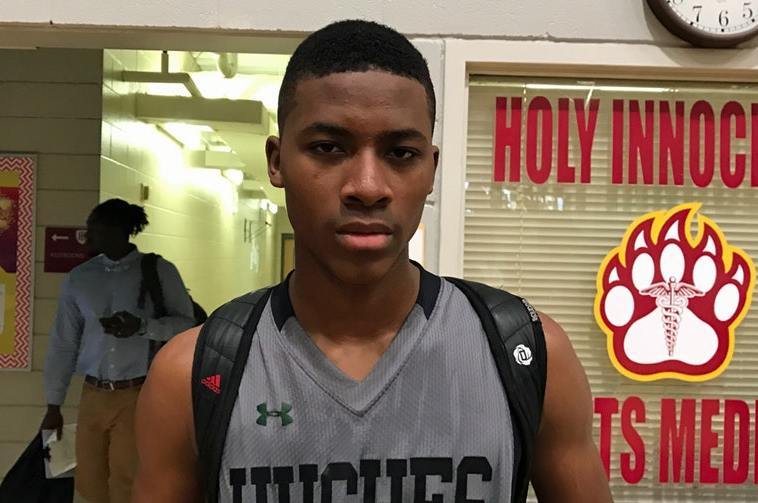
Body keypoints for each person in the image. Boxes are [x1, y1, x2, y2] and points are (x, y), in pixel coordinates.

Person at [132, 20, 613, 503]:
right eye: (328, 148)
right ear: (276, 162)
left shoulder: (528, 352)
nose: (366, 187)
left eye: (400, 153)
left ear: (431, 169)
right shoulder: (190, 374)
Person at [41, 198, 196, 503]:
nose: (87, 236)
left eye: (95, 229)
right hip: (93, 393)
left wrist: (142, 327)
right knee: (89, 480)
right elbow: (63, 341)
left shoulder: (157, 271)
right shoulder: (80, 278)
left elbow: (186, 325)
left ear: (119, 231)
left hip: (138, 391)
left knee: (127, 479)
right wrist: (53, 405)